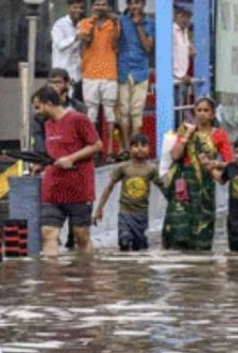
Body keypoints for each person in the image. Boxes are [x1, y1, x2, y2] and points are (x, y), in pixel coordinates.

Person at [33, 86, 102, 258]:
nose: (37, 112)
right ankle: (51, 279)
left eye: (38, 107)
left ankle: (85, 275)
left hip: (79, 189)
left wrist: (71, 158)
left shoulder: (79, 119)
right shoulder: (47, 125)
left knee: (81, 236)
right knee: (48, 232)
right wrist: (41, 165)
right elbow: (53, 153)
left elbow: (97, 145)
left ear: (49, 104)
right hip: (53, 190)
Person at [162, 97, 232, 250]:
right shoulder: (186, 130)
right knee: (178, 228)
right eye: (198, 110)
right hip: (184, 187)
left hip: (205, 187)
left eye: (206, 110)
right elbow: (175, 155)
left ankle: (200, 269)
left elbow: (230, 163)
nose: (202, 114)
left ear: (213, 114)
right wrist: (187, 135)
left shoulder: (220, 135)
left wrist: (215, 164)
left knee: (202, 231)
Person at [95, 132, 168, 251]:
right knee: (124, 241)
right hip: (125, 213)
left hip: (142, 215)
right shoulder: (123, 168)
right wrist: (99, 209)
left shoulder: (151, 169)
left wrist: (173, 203)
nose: (139, 149)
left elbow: (162, 187)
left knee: (140, 248)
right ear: (130, 149)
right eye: (135, 146)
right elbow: (109, 187)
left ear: (149, 148)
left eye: (143, 146)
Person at [79, 0, 121, 154]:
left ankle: (110, 149)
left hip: (109, 73)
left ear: (108, 7)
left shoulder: (113, 23)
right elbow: (85, 40)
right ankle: (92, 150)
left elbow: (116, 43)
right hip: (90, 73)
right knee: (91, 114)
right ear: (93, 6)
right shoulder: (85, 23)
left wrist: (115, 22)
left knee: (110, 115)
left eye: (104, 4)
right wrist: (92, 22)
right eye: (98, 4)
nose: (101, 7)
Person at [117, 0, 156, 148]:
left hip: (141, 71)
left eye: (137, 3)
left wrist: (139, 26)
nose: (134, 6)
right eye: (131, 3)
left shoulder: (150, 23)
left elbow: (148, 47)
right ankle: (126, 147)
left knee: (136, 112)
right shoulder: (121, 21)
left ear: (143, 4)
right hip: (123, 71)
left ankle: (135, 147)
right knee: (124, 112)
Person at [30, 68, 88, 155]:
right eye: (51, 83)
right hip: (49, 157)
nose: (54, 86)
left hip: (76, 157)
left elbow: (87, 139)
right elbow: (39, 142)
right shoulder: (41, 112)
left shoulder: (79, 108)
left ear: (67, 84)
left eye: (58, 82)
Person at [50, 0, 86, 102]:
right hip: (61, 73)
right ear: (68, 7)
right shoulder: (59, 25)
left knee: (75, 106)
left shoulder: (83, 25)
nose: (78, 10)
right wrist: (76, 37)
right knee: (60, 103)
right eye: (75, 7)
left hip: (77, 74)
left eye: (81, 8)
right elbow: (60, 45)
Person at [172, 4, 196, 116]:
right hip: (174, 79)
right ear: (176, 16)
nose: (185, 19)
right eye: (183, 16)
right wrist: (178, 76)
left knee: (183, 110)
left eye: (188, 17)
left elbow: (192, 52)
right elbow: (168, 56)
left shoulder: (184, 31)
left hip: (183, 78)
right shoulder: (171, 31)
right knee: (177, 112)